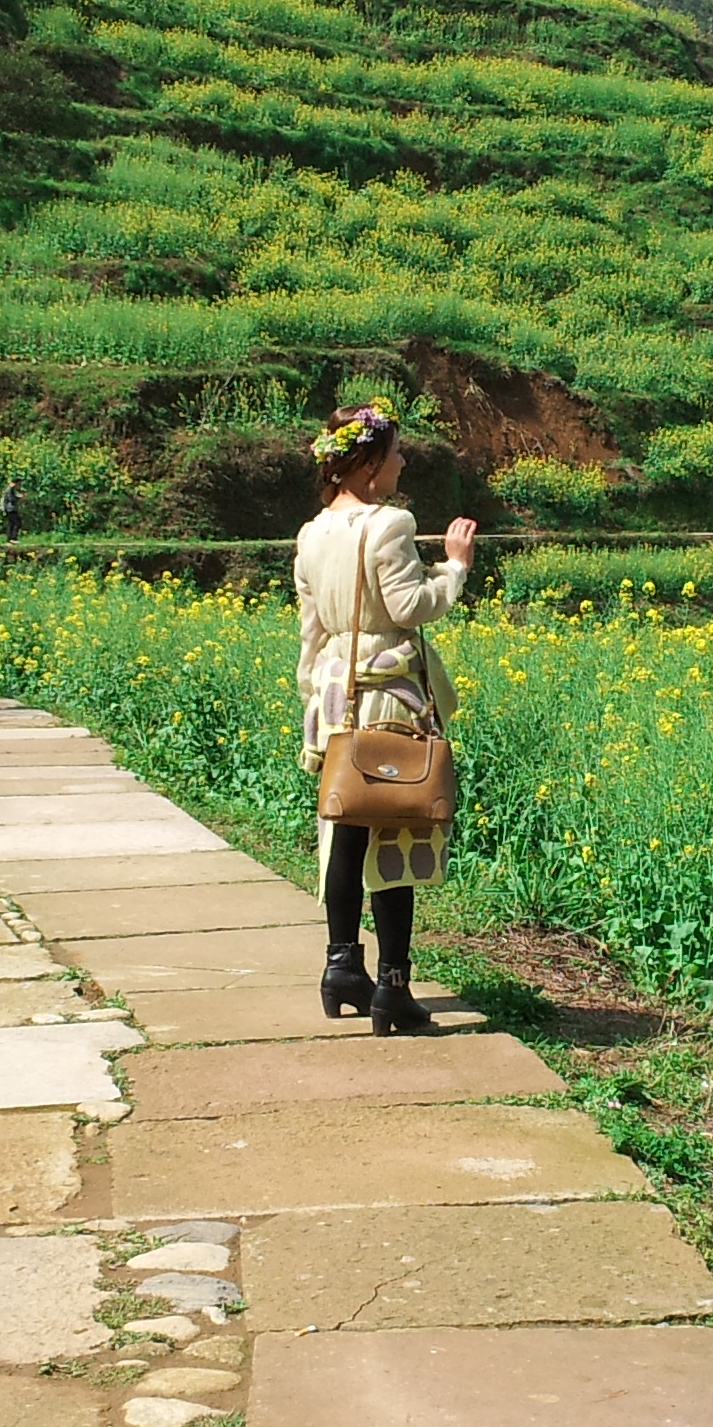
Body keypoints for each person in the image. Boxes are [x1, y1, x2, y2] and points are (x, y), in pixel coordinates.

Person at [297, 402, 477, 1035]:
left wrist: (312, 708)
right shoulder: (392, 523)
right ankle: (393, 986)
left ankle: (342, 965)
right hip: (390, 695)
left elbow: (312, 633)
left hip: (337, 698)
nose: (404, 462)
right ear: (370, 464)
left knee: (346, 827)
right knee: (395, 828)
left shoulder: (313, 532)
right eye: (397, 452)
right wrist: (454, 565)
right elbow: (408, 604)